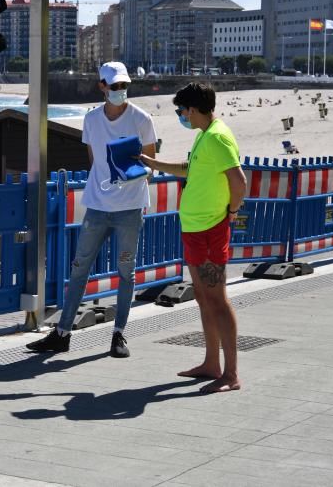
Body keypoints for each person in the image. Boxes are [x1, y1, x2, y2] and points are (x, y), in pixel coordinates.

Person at [27, 61, 157, 358]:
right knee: (79, 269)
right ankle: (62, 333)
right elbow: (95, 161)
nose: (120, 91)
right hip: (97, 206)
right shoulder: (91, 119)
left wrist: (130, 171)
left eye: (124, 86)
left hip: (130, 207)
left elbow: (151, 164)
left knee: (126, 271)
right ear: (101, 86)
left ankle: (119, 334)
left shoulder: (142, 118)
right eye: (114, 86)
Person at [140, 82, 246, 393]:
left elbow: (238, 181)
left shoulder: (217, 137)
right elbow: (191, 169)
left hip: (211, 229)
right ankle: (212, 363)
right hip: (195, 228)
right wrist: (151, 163)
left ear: (193, 110)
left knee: (218, 300)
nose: (180, 116)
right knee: (203, 297)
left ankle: (232, 374)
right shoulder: (204, 135)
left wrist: (231, 212)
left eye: (180, 111)